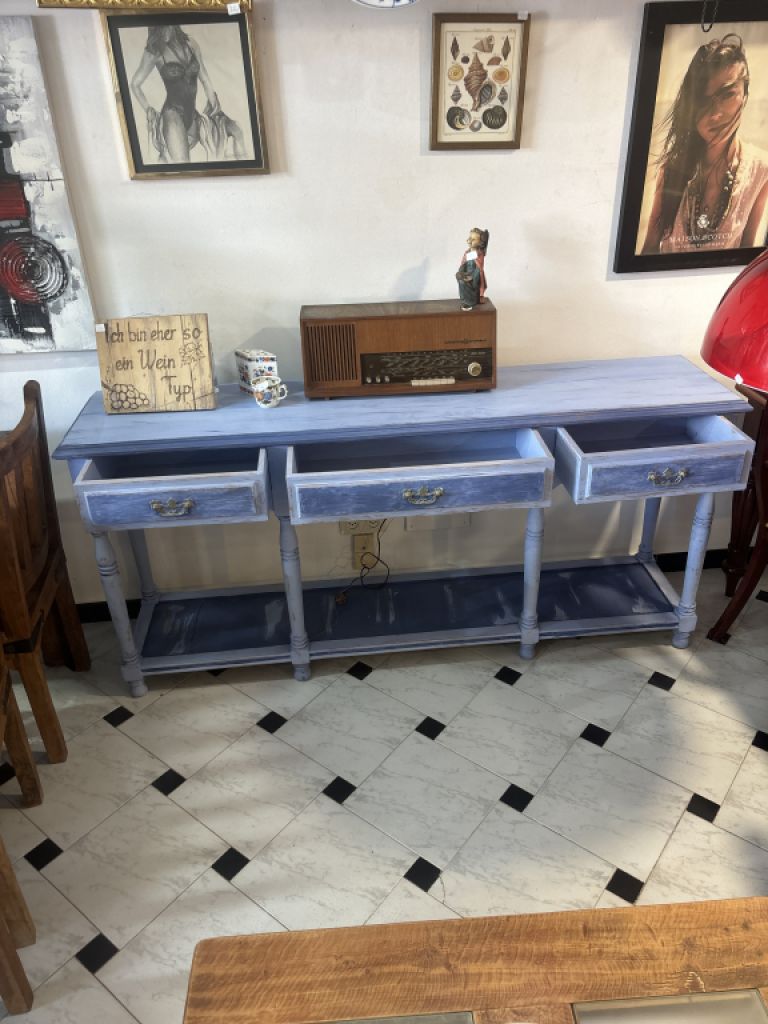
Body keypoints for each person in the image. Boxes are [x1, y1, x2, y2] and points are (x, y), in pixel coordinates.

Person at [642, 34, 768, 254]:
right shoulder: (673, 167)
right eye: (703, 100)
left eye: (727, 95)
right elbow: (649, 250)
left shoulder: (761, 170)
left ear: (745, 95)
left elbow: (746, 256)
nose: (715, 114)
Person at [130, 24, 244, 163]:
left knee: (237, 130)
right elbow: (135, 84)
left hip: (193, 115)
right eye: (158, 28)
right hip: (172, 115)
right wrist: (148, 108)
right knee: (183, 165)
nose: (162, 32)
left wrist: (215, 105)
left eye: (164, 27)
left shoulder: (191, 44)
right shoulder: (155, 52)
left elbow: (204, 79)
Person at [456, 228, 489, 310]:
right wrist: (461, 272)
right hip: (466, 275)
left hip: (474, 277)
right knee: (460, 279)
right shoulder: (467, 253)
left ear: (480, 242)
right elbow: (463, 264)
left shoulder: (479, 254)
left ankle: (470, 302)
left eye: (473, 239)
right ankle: (465, 300)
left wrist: (472, 278)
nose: (469, 240)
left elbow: (479, 269)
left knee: (465, 283)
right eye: (469, 238)